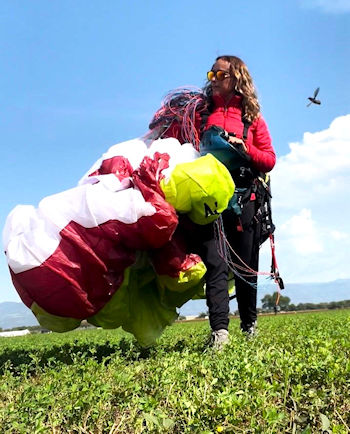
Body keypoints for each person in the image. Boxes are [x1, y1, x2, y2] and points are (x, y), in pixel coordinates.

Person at [149, 55, 276, 349]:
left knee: (245, 266)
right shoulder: (200, 114)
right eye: (211, 73)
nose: (213, 79)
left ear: (237, 79)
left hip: (245, 198)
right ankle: (220, 331)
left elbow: (269, 160)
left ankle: (249, 325)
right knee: (216, 264)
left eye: (220, 74)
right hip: (208, 200)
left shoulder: (252, 119)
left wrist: (246, 149)